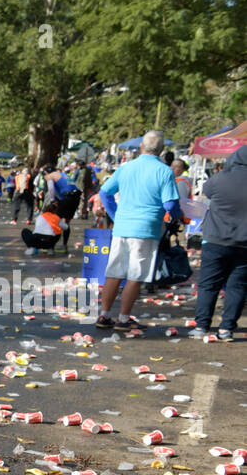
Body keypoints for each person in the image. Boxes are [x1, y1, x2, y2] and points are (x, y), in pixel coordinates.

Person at [93, 130, 181, 331]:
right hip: (146, 228)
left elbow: (105, 192)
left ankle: (104, 315)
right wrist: (177, 212)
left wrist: (116, 215)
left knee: (114, 273)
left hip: (122, 227)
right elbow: (169, 205)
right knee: (135, 275)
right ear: (162, 149)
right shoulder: (164, 171)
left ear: (141, 146)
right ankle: (123, 319)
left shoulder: (126, 168)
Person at [191, 145, 247, 341]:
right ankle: (226, 329)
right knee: (237, 286)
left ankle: (201, 326)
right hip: (244, 243)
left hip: (215, 240)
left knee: (208, 285)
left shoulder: (221, 178)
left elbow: (206, 192)